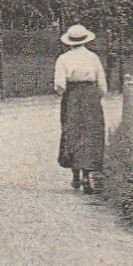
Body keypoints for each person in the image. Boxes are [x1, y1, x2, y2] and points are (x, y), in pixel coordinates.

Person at [54, 23, 108, 193]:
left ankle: (75, 174)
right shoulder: (93, 57)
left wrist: (62, 92)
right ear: (85, 40)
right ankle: (86, 174)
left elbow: (59, 84)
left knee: (72, 131)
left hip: (72, 95)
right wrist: (97, 95)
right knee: (90, 133)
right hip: (90, 95)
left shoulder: (63, 59)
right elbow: (102, 84)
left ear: (69, 42)